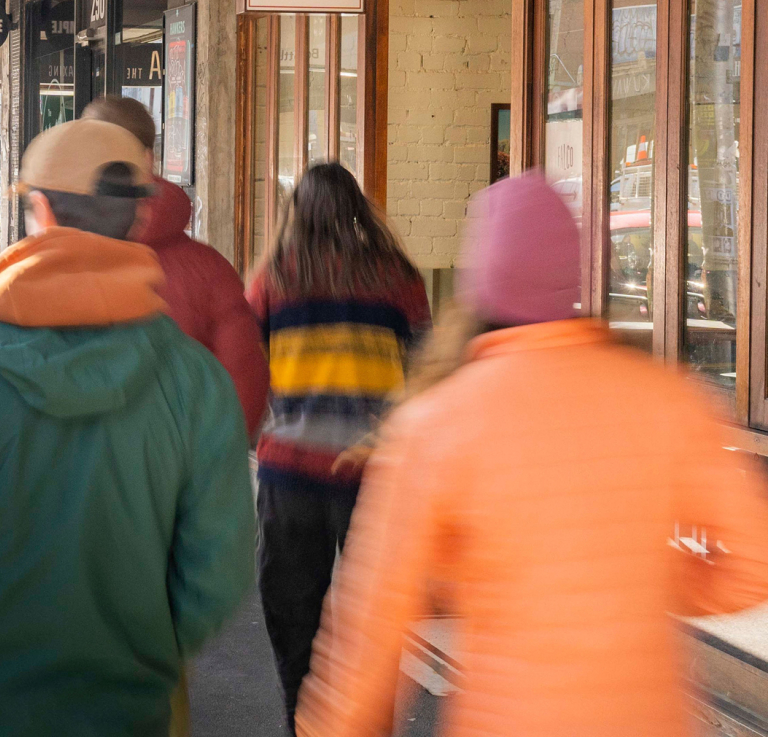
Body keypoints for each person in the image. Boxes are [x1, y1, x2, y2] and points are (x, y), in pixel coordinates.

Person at [294, 171, 768, 737]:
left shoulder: (436, 424)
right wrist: (644, 578)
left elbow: (374, 622)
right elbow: (753, 564)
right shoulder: (668, 398)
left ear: (479, 283)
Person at [0, 119, 254, 734]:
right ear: (139, 219)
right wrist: (148, 647)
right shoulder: (195, 378)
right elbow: (219, 568)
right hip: (128, 708)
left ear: (39, 209)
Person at [245, 161, 431, 730]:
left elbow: (249, 366)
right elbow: (427, 369)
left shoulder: (273, 278)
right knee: (376, 620)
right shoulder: (397, 277)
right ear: (357, 209)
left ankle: (301, 720)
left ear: (295, 212)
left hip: (289, 474)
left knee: (292, 611)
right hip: (374, 477)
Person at [82, 95, 270, 436]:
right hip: (181, 459)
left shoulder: (56, 260)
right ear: (148, 159)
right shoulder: (210, 271)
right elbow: (244, 384)